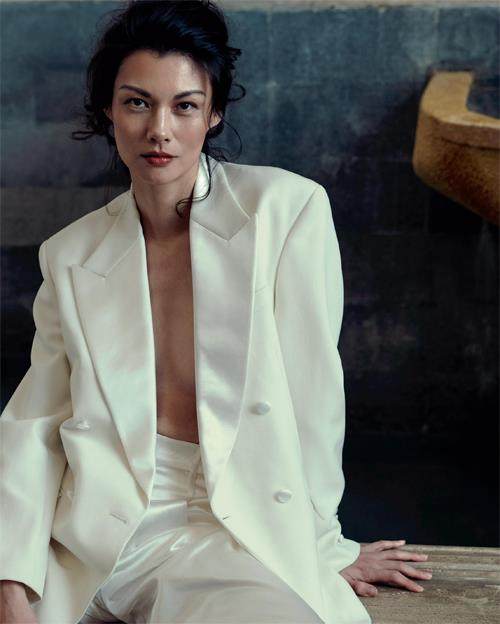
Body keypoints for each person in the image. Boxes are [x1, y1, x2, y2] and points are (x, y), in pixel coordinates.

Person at [0, 2, 433, 623]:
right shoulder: (70, 255)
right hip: (98, 530)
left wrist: (320, 545)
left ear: (214, 114)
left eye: (185, 106)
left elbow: (315, 396)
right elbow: (35, 424)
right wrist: (11, 575)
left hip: (234, 523)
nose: (160, 130)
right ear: (108, 111)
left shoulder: (286, 210)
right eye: (137, 102)